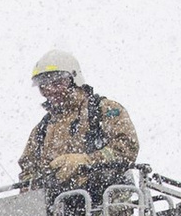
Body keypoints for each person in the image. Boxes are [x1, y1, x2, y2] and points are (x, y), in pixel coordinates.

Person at [17, 45, 138, 193]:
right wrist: (34, 185)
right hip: (58, 205)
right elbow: (27, 171)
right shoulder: (41, 130)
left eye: (57, 83)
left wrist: (86, 160)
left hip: (108, 201)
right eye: (43, 86)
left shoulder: (104, 110)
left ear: (74, 79)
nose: (50, 90)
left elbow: (127, 149)